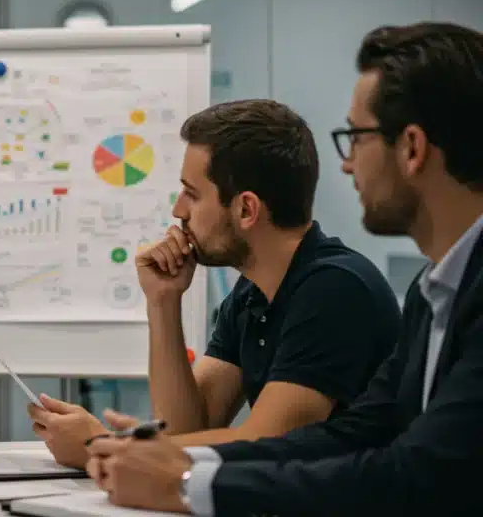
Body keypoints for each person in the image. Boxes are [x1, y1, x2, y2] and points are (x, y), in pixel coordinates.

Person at [84, 22, 483, 516]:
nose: (346, 164)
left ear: (413, 148)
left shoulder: (339, 288)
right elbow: (346, 436)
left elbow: (415, 471)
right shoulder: (432, 294)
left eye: (355, 138)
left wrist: (181, 478)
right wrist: (152, 455)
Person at [29, 99, 400, 468]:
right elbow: (186, 432)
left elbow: (270, 442)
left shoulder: (334, 290)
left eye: (192, 193)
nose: (178, 210)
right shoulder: (252, 293)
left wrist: (103, 447)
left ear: (245, 210)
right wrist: (163, 301)